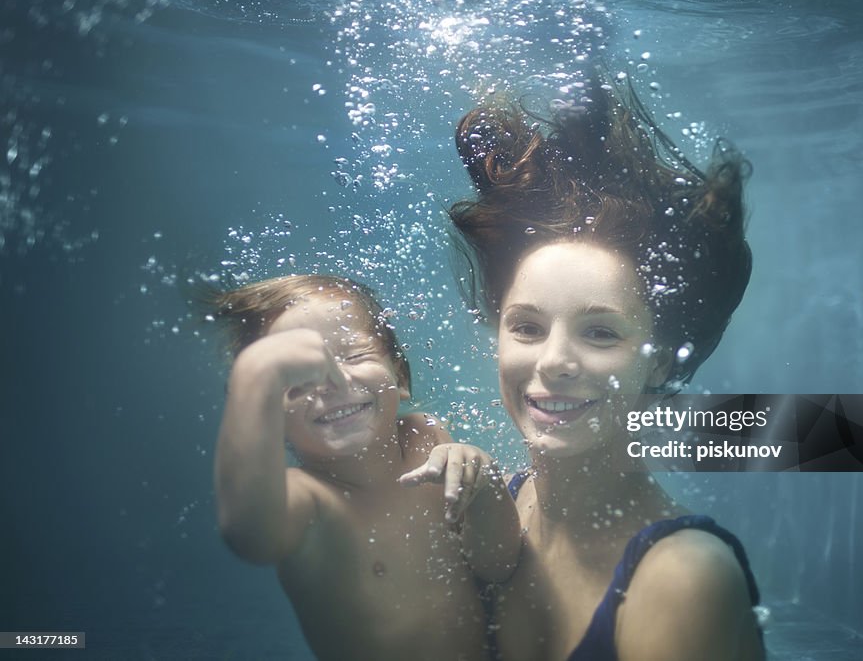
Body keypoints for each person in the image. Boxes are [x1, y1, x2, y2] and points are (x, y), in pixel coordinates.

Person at [448, 73, 765, 660]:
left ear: (661, 357)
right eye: (526, 326)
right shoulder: (498, 514)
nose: (554, 361)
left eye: (599, 332)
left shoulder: (682, 579)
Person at [195, 274, 518, 661]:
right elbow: (250, 537)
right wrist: (254, 375)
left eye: (353, 355)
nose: (331, 382)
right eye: (293, 379)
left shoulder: (425, 437)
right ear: (269, 417)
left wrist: (484, 484)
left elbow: (498, 563)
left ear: (399, 374)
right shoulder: (307, 500)